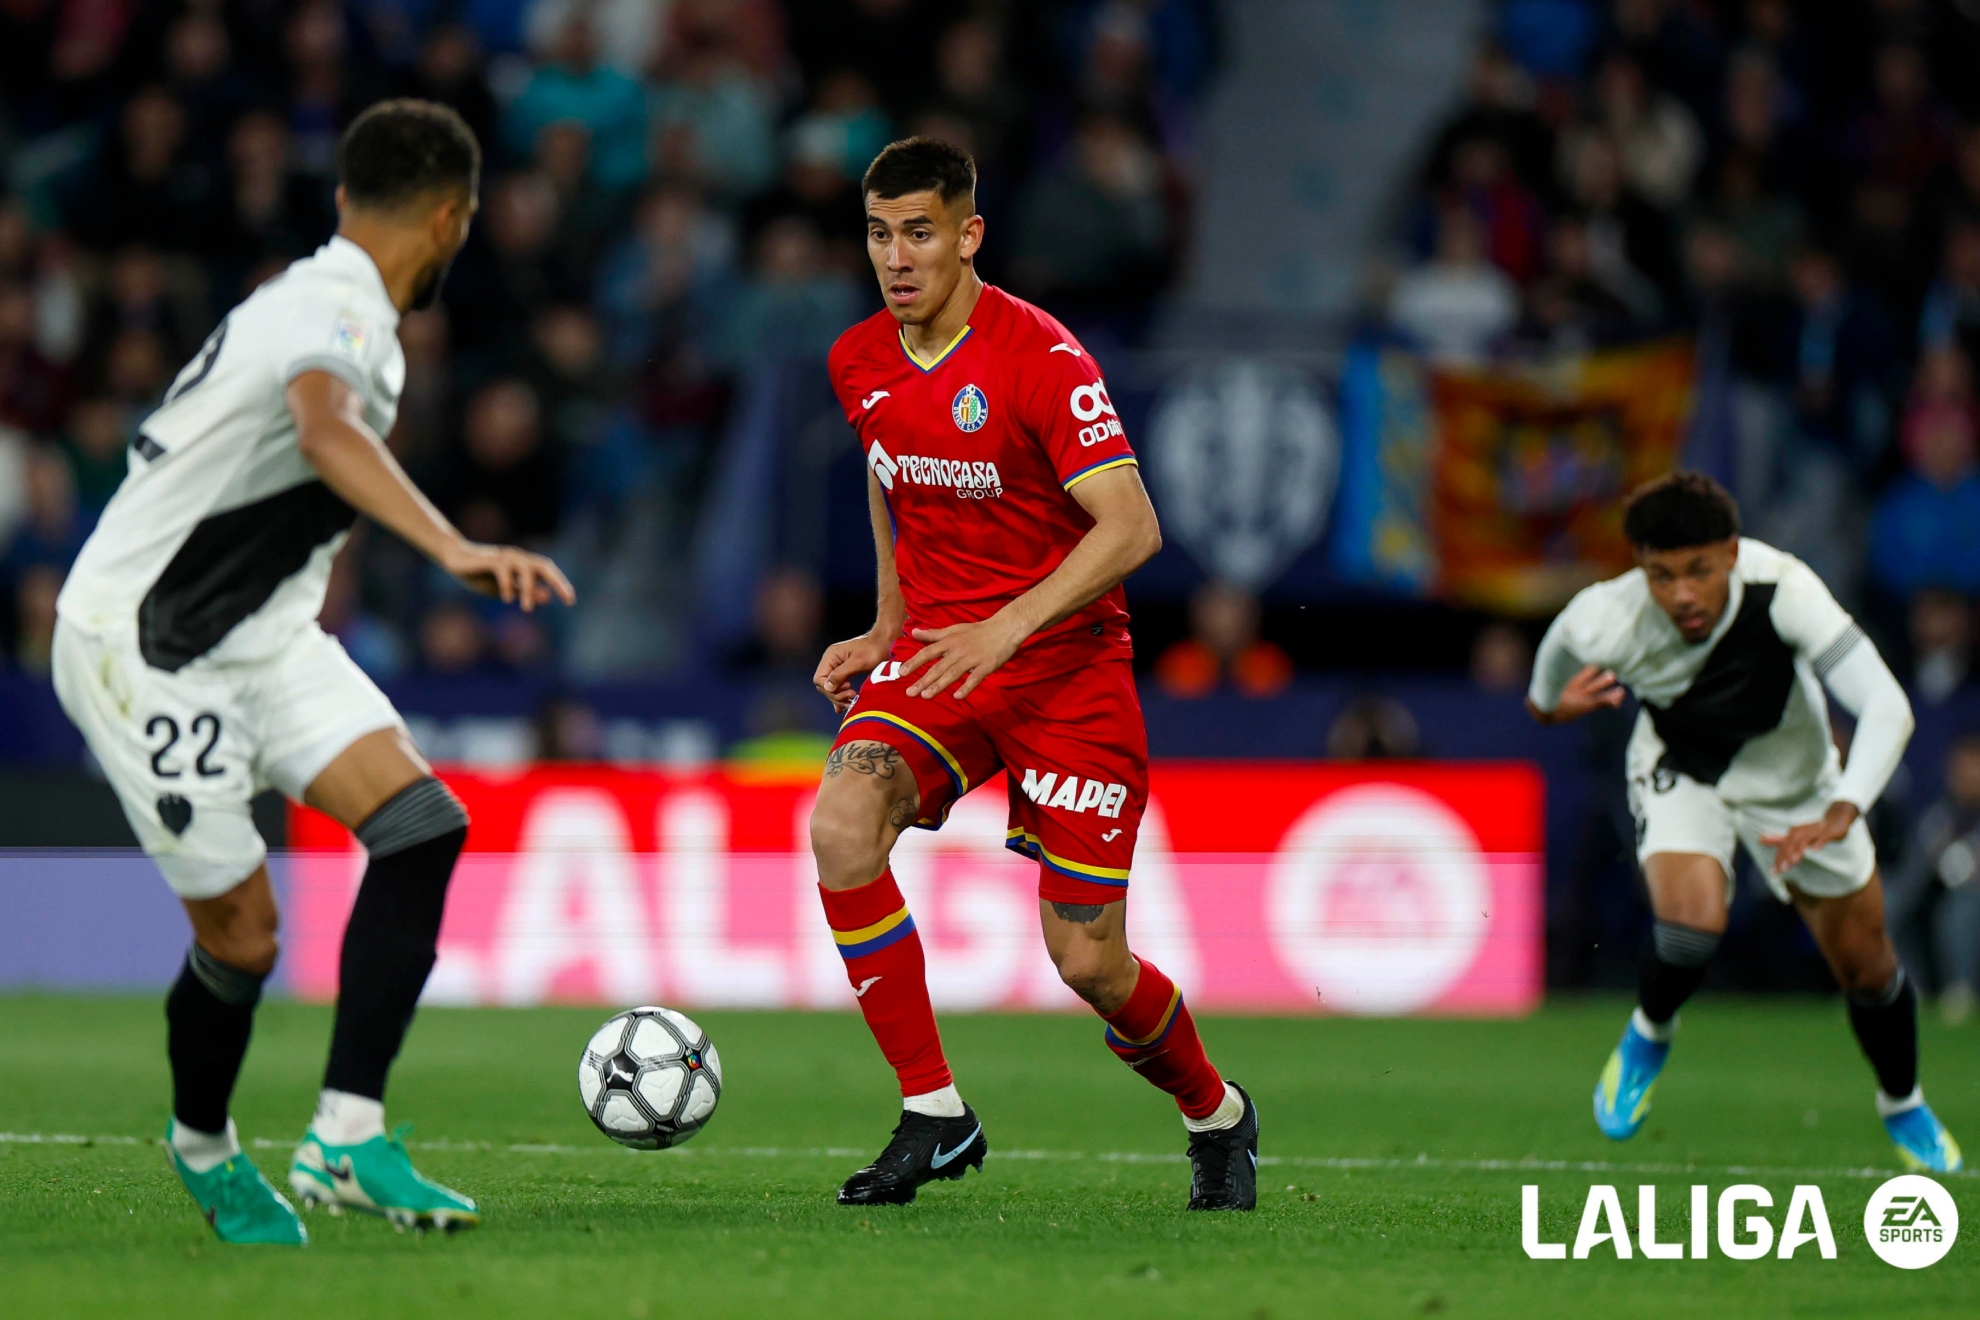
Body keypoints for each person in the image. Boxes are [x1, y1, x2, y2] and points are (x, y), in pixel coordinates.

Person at [50, 100, 574, 1245]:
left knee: (423, 827)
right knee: (244, 937)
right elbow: (326, 427)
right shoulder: (333, 311)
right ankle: (204, 1148)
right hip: (146, 644)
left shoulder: (328, 297)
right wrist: (454, 548)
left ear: (347, 200)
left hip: (262, 634)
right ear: (453, 219)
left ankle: (345, 1137)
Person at [809, 137, 1257, 1212]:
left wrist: (1008, 628)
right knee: (839, 826)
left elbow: (1132, 526)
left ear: (969, 235)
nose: (896, 257)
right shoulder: (858, 360)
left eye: (919, 232)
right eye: (879, 233)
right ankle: (934, 1113)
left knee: (1088, 964)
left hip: (1063, 668)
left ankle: (1216, 1112)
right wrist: (888, 620)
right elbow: (892, 475)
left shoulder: (1041, 359)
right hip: (940, 656)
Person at [1525, 471, 1960, 1173]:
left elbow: (1887, 706)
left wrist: (1843, 807)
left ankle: (1902, 1102)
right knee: (1691, 924)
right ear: (1641, 569)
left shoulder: (1783, 588)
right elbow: (1545, 681)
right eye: (1662, 576)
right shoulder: (1603, 615)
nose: (1683, 595)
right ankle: (1649, 1033)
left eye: (1699, 570)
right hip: (1682, 770)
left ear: (1731, 552)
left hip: (1799, 785)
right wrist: (1553, 705)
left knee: (1869, 968)